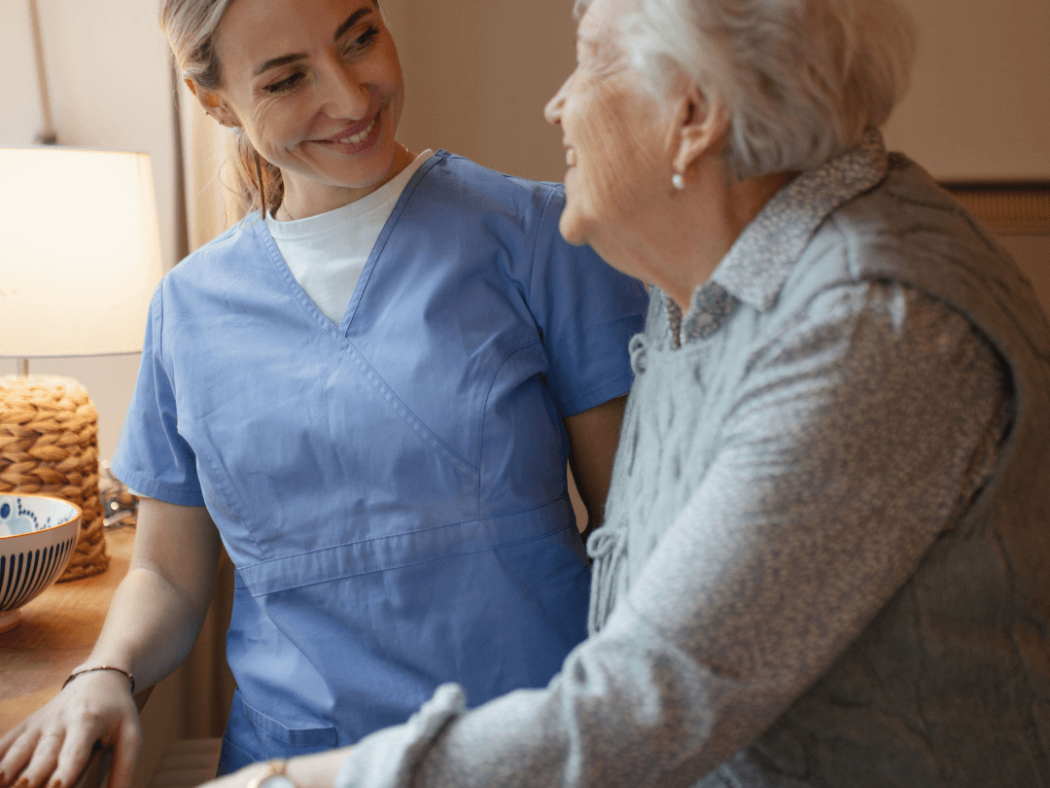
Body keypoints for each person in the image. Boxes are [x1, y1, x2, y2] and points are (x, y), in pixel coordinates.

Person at [117, 0, 1048, 785]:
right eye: (284, 77)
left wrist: (297, 784)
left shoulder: (868, 324)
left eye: (590, 63)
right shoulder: (704, 292)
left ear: (691, 114)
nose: (558, 103)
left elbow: (658, 688)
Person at [0, 0, 648, 786]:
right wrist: (104, 674)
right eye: (286, 79)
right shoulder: (189, 308)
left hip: (526, 752)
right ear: (213, 100)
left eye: (360, 38)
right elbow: (168, 575)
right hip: (289, 766)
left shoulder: (542, 237)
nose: (350, 97)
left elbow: (634, 533)